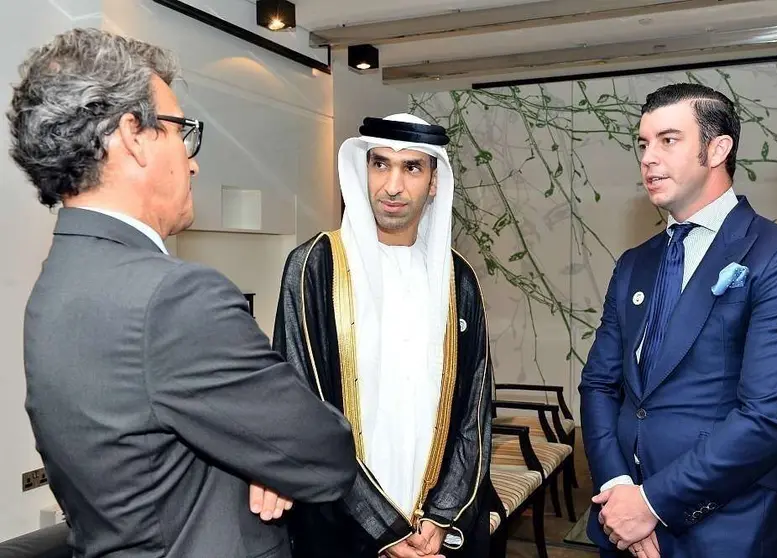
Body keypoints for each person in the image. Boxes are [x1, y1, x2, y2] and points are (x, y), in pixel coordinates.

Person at [10, 28, 356, 558]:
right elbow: (325, 454)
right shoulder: (175, 297)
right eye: (179, 130)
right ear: (133, 134)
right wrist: (273, 460)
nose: (192, 160)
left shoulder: (55, 286)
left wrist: (269, 457)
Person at [578, 83, 777, 558]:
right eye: (643, 143)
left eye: (668, 140)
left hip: (725, 527)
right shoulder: (635, 262)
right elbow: (599, 385)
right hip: (620, 521)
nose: (649, 158)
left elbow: (769, 418)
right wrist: (617, 490)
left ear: (718, 149)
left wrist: (651, 503)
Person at [268, 114, 492, 558]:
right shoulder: (316, 266)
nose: (392, 185)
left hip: (434, 531)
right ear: (361, 170)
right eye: (380, 164)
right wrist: (383, 527)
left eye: (412, 168)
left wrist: (440, 516)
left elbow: (475, 410)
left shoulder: (458, 279)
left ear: (433, 182)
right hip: (345, 524)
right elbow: (304, 410)